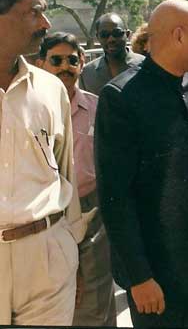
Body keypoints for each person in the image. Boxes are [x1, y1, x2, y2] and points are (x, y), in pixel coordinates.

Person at [95, 0, 188, 328]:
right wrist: (138, 277)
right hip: (157, 277)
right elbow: (115, 198)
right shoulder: (121, 97)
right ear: (180, 35)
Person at [0, 0, 87, 325]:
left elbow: (63, 170)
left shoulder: (51, 90)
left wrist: (71, 252)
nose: (46, 23)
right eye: (34, 12)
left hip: (48, 257)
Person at [36, 32, 117, 327]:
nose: (65, 67)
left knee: (96, 300)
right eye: (56, 60)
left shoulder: (99, 107)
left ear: (82, 63)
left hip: (92, 211)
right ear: (41, 63)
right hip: (47, 216)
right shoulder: (31, 109)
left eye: (72, 60)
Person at [80, 13, 144, 95]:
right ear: (98, 37)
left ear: (127, 34)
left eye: (117, 33)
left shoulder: (145, 66)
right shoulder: (87, 73)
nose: (111, 39)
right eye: (104, 35)